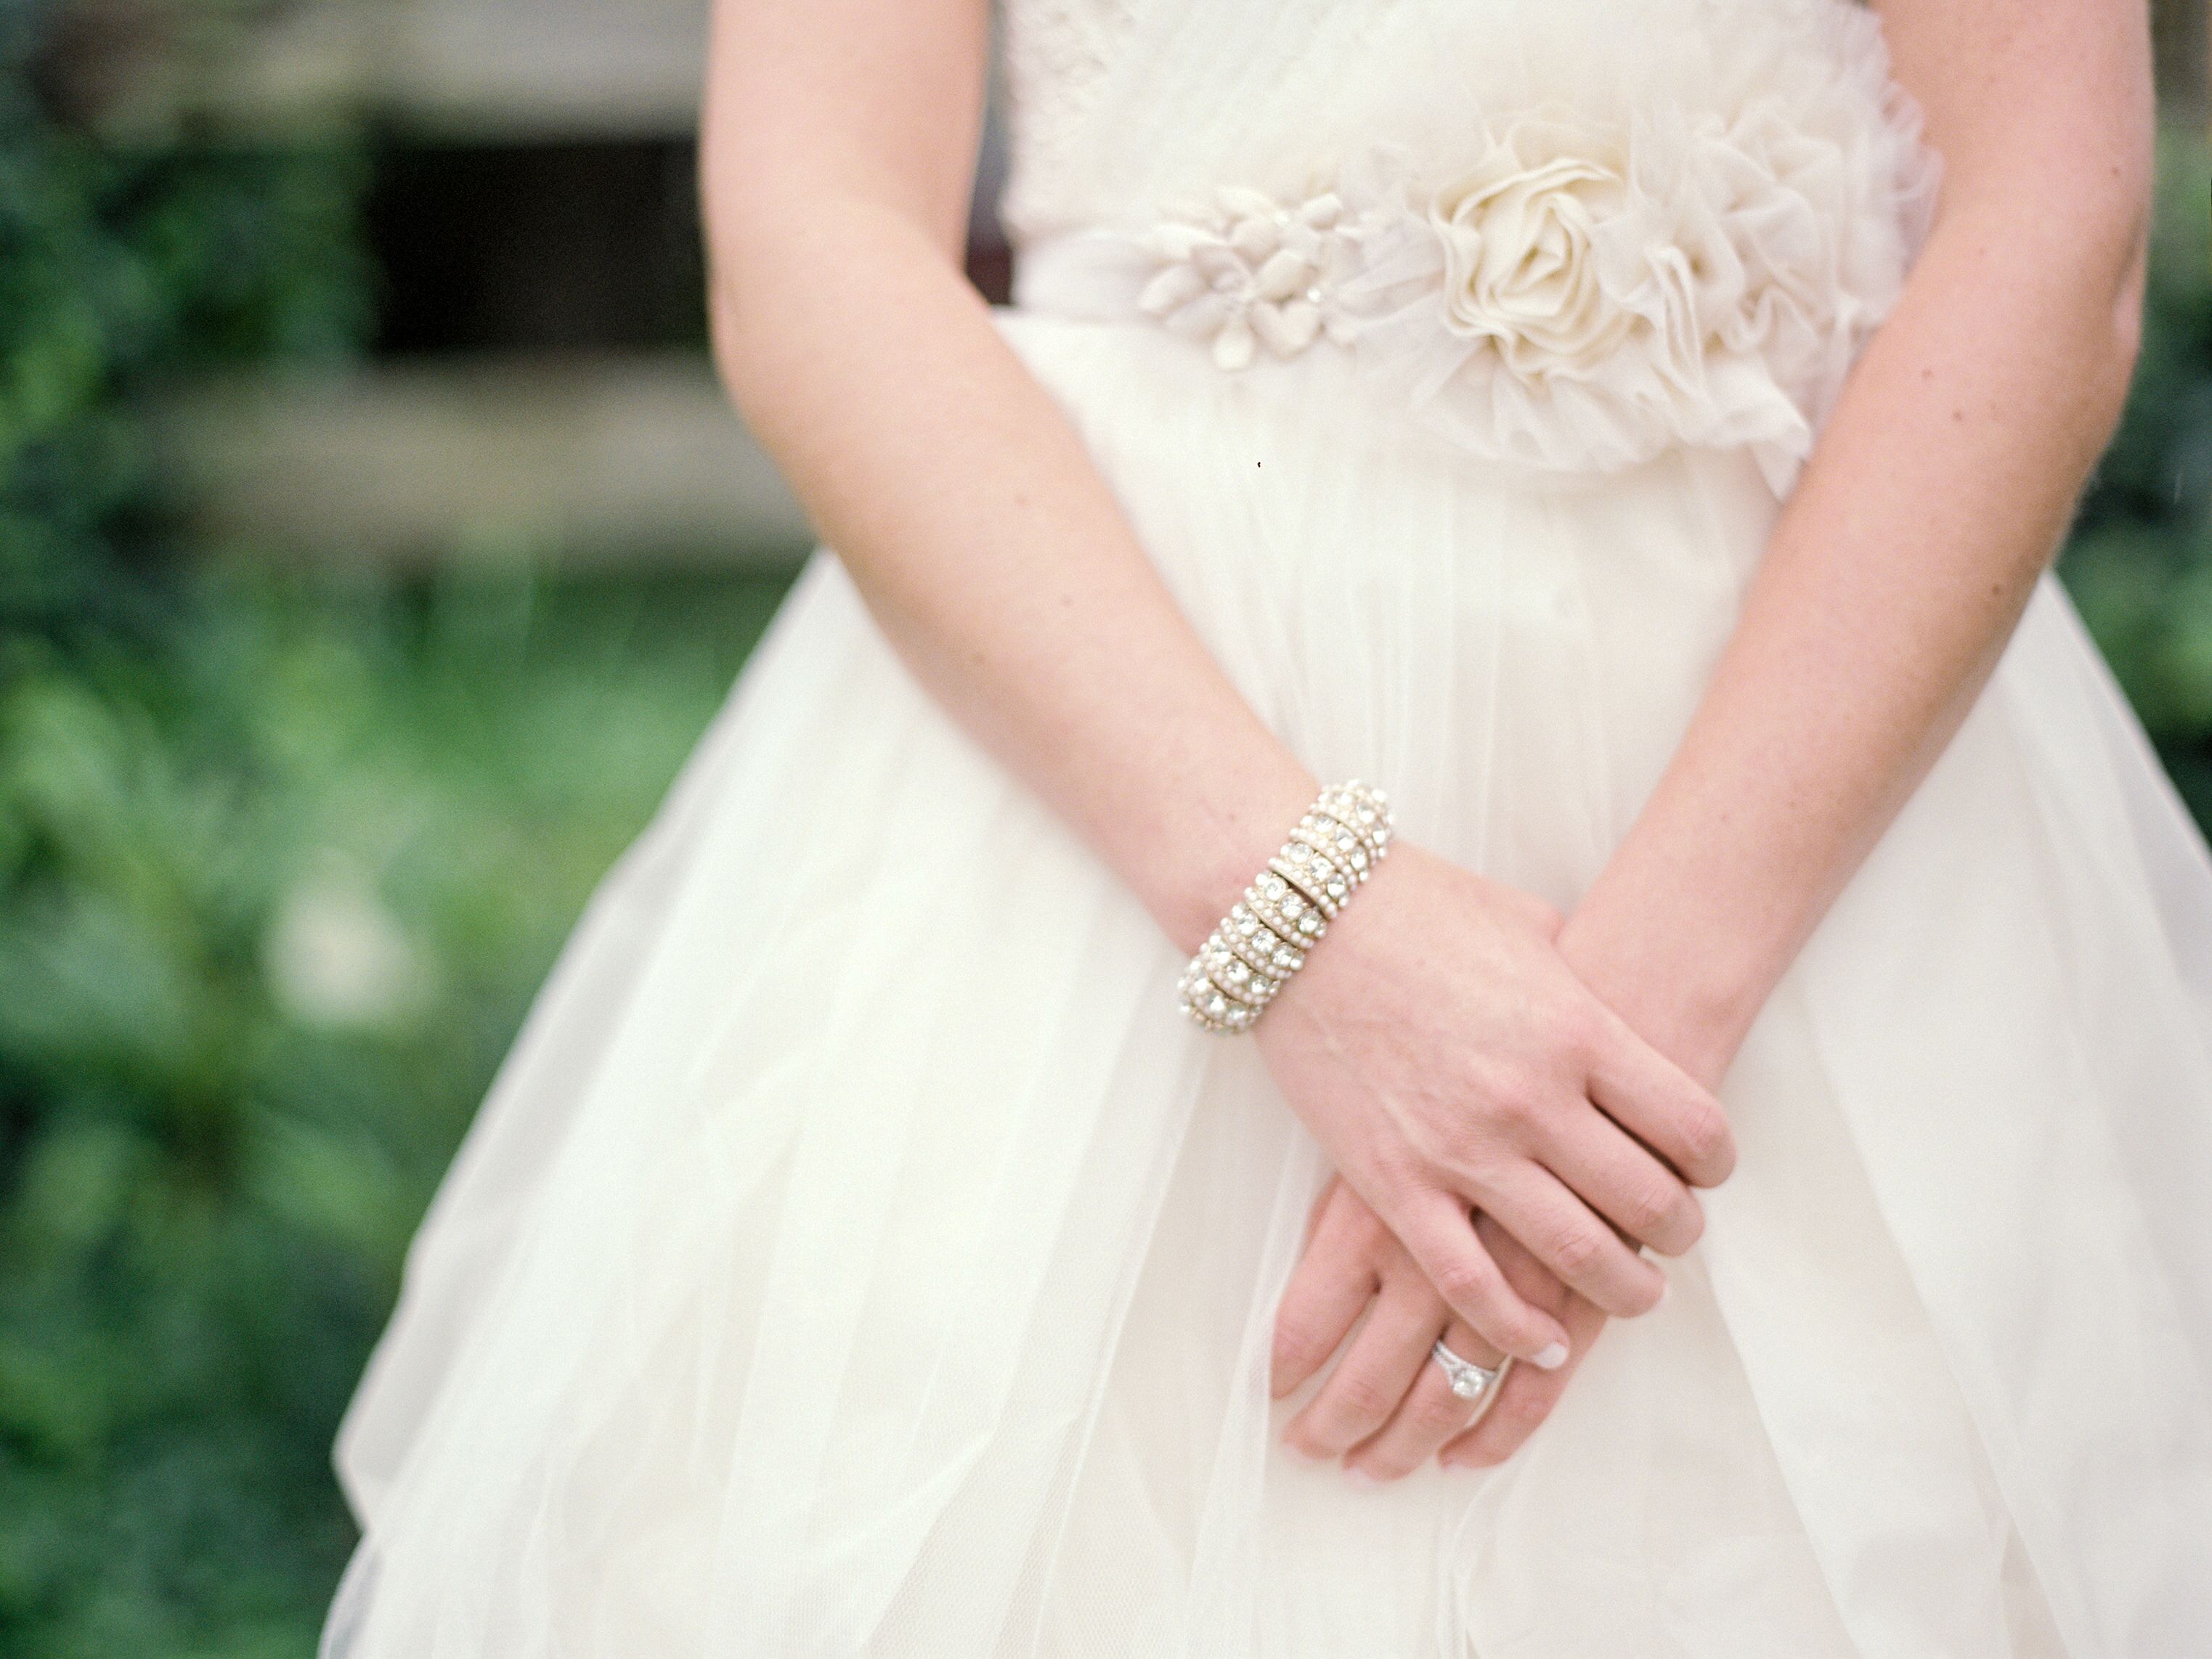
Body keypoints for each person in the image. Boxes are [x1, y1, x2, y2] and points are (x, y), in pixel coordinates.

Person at [322, 0, 2212, 1652]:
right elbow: (814, 229)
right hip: (1098, 776)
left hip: (1807, 828)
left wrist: (1614, 1069)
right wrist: (1308, 923)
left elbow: (2047, 214)